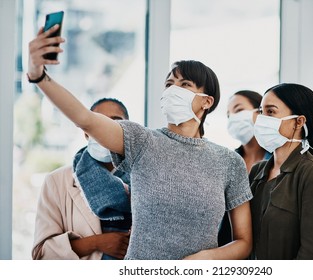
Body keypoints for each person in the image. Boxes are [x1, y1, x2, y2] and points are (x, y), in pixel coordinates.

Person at [27, 25, 253, 260]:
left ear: (207, 102)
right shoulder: (142, 141)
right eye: (169, 84)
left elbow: (244, 241)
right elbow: (85, 118)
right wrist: (38, 76)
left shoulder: (229, 162)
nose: (173, 90)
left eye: (185, 84)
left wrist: (205, 259)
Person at [32, 97, 131, 260]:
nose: (106, 129)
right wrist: (97, 243)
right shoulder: (57, 182)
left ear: (128, 131)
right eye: (98, 122)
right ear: (86, 132)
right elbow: (42, 254)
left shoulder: (145, 177)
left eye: (115, 122)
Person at [249, 83, 313, 260]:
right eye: (261, 112)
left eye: (271, 112)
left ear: (299, 121)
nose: (261, 119)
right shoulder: (257, 171)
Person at [218, 90, 271, 246]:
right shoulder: (228, 161)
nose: (233, 118)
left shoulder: (278, 160)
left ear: (260, 112)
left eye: (239, 110)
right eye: (229, 115)